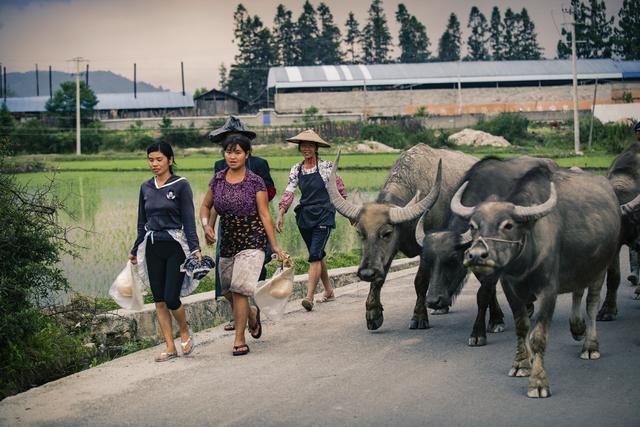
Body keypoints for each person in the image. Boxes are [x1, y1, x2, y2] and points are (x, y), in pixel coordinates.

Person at [200, 133, 285, 356]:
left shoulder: (255, 181)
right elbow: (206, 206)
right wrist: (206, 226)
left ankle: (239, 339)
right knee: (226, 289)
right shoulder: (218, 179)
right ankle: (251, 314)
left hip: (252, 238)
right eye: (229, 152)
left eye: (237, 152)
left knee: (240, 290)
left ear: (247, 154)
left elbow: (265, 215)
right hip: (228, 239)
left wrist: (274, 246)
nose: (232, 156)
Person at [129, 142, 202, 362]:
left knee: (172, 298)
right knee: (159, 300)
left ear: (170, 160)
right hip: (152, 246)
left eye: (159, 159)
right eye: (150, 159)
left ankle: (184, 330)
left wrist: (195, 247)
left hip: (175, 246)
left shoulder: (181, 185)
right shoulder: (145, 187)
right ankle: (170, 346)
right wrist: (135, 249)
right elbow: (142, 222)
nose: (154, 163)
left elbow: (189, 219)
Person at [208, 116, 276, 331]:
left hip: (253, 225)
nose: (232, 149)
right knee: (226, 279)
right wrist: (209, 226)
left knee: (252, 273)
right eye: (228, 144)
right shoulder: (220, 167)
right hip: (228, 226)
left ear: (246, 147)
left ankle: (249, 313)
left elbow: (270, 190)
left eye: (237, 145)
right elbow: (215, 201)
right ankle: (243, 313)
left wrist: (252, 202)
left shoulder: (259, 165)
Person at [275, 129, 348, 311]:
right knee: (318, 254)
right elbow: (289, 192)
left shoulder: (326, 167)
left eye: (310, 145)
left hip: (324, 213)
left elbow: (340, 190)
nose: (306, 149)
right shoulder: (296, 169)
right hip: (305, 216)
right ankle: (329, 291)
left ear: (316, 148)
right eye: (303, 146)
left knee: (314, 254)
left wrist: (349, 213)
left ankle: (309, 297)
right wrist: (281, 213)